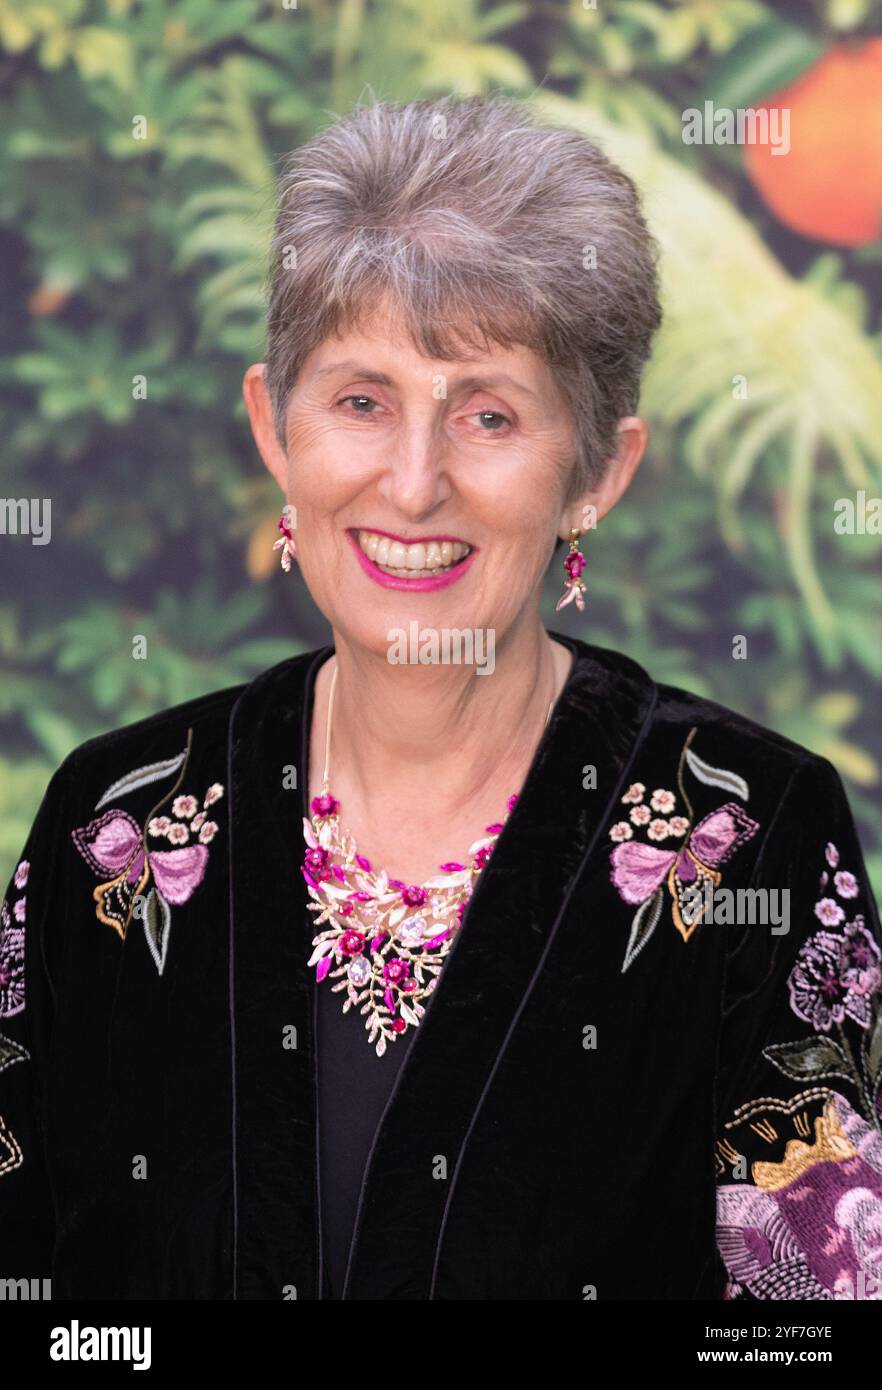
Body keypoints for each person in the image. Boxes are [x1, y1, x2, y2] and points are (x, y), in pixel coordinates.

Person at [1, 95, 880, 1301]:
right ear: (275, 428)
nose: (413, 484)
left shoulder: (748, 836)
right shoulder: (113, 823)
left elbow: (816, 1321)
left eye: (489, 415)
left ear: (598, 472)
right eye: (361, 400)